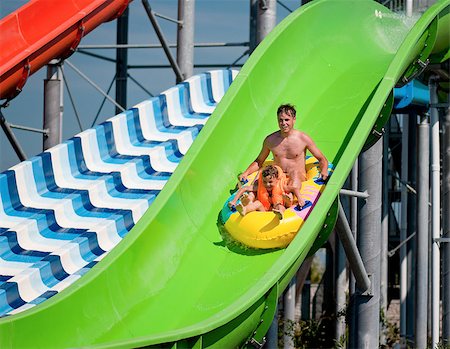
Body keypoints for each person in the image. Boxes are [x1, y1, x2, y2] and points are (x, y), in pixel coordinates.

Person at [238, 104, 329, 208]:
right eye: (280, 120)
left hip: (297, 177)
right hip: (277, 178)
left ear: (293, 119)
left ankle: (289, 198)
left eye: (287, 120)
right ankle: (249, 200)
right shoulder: (270, 140)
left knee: (294, 174)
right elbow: (259, 161)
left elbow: (322, 159)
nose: (283, 123)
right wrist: (245, 173)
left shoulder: (303, 139)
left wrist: (324, 170)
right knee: (262, 172)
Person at [228, 164, 292, 219]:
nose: (267, 184)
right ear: (262, 180)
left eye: (270, 182)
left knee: (279, 206)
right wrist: (234, 201)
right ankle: (245, 210)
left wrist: (287, 200)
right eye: (264, 182)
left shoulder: (283, 187)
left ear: (277, 180)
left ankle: (280, 213)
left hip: (276, 209)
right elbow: (244, 188)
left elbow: (289, 204)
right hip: (264, 212)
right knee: (257, 203)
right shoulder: (260, 187)